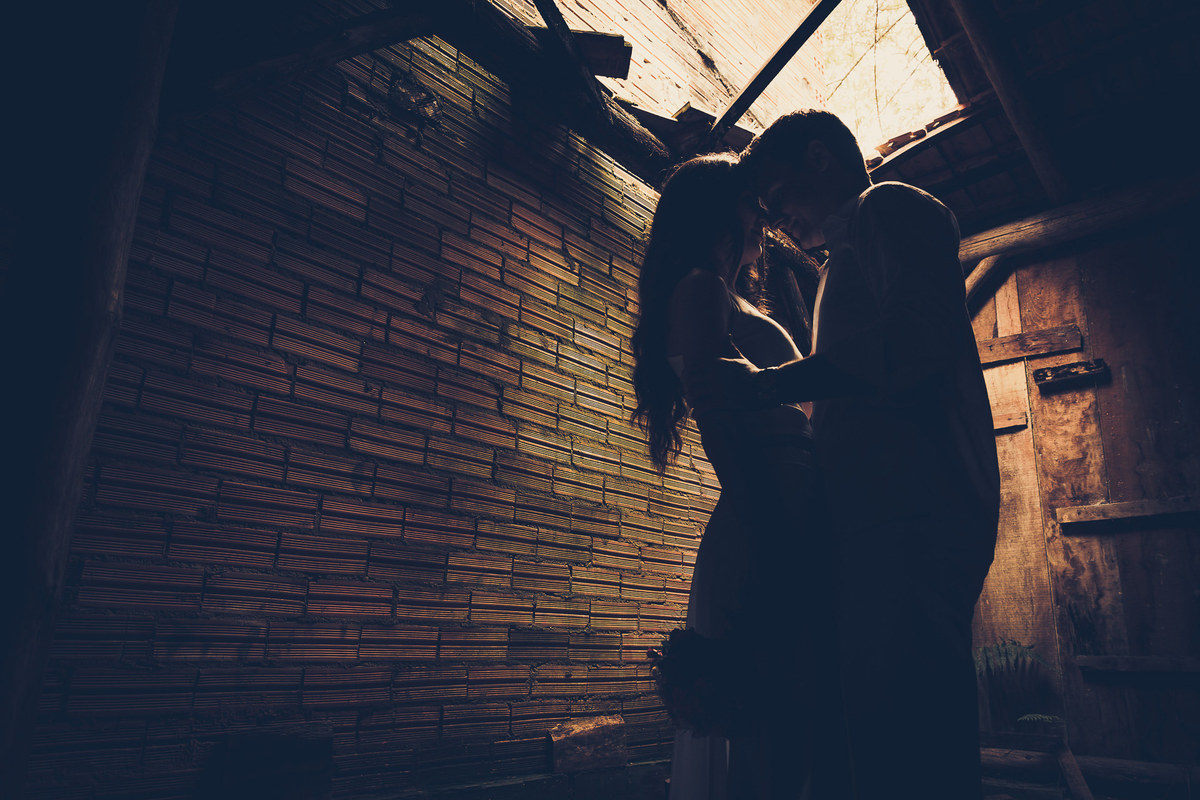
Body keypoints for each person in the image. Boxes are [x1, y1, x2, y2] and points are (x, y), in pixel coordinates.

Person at [698, 110, 1001, 799]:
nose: (772, 220)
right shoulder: (842, 263)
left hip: (912, 514)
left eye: (775, 196)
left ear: (817, 157)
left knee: (915, 735)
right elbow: (856, 391)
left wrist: (772, 384)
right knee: (881, 732)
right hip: (877, 520)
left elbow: (913, 343)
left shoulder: (887, 207)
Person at [632, 153, 837, 799]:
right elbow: (717, 414)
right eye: (751, 203)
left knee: (793, 707)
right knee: (770, 711)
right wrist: (767, 524)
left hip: (786, 501)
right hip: (764, 511)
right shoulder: (699, 287)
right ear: (718, 212)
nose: (763, 218)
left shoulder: (727, 293)